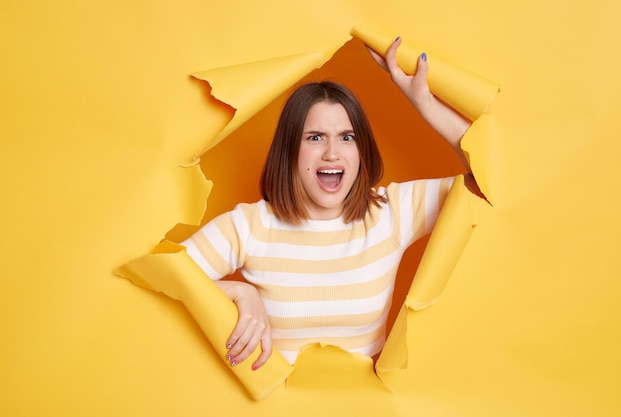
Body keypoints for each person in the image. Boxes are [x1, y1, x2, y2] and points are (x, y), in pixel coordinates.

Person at [182, 38, 477, 370]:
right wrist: (239, 293)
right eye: (315, 137)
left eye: (346, 137)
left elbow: (487, 180)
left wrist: (424, 101)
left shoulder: (390, 214)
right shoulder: (249, 226)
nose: (332, 153)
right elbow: (163, 280)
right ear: (290, 150)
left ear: (360, 151)